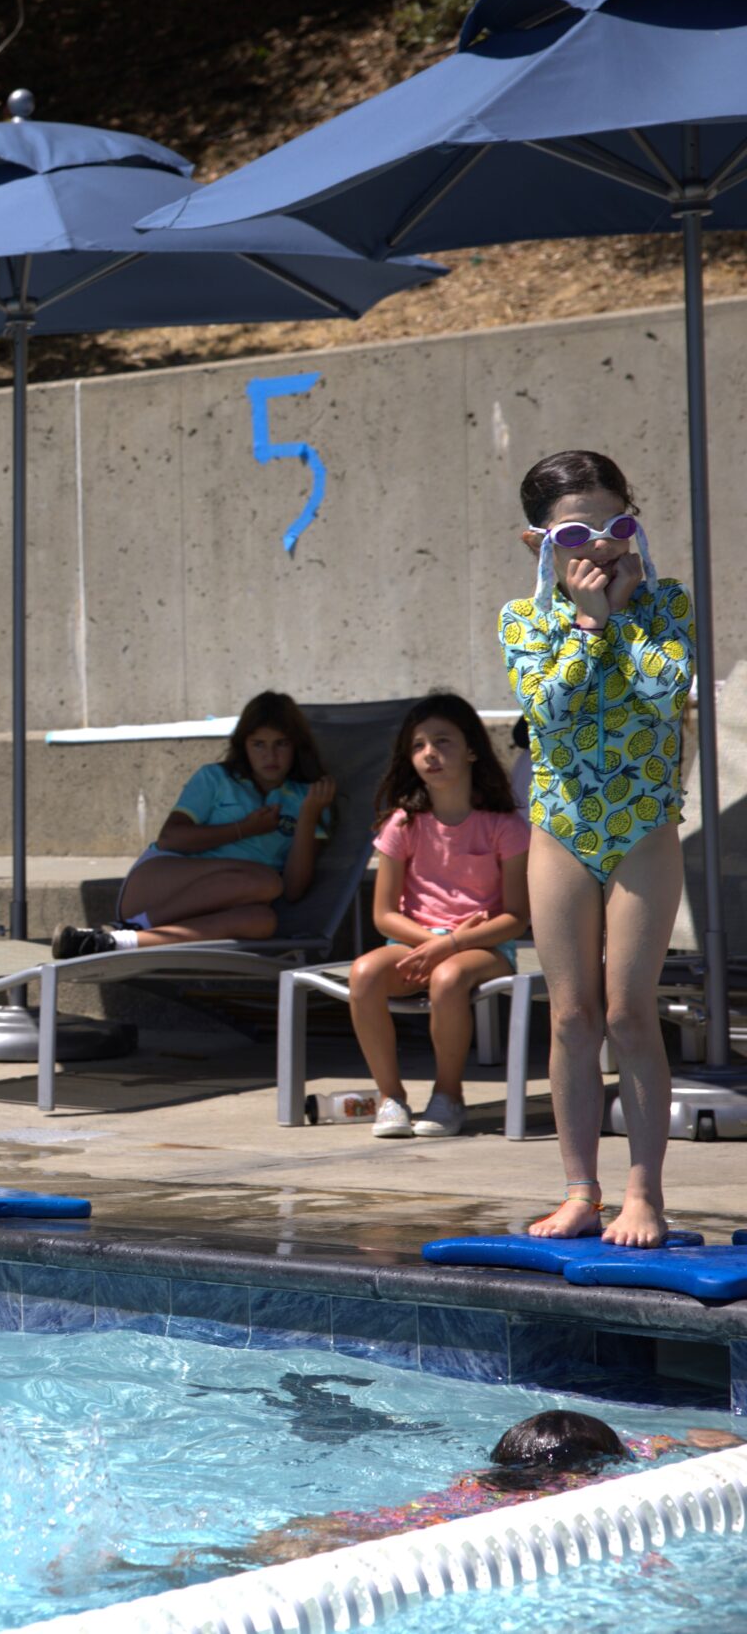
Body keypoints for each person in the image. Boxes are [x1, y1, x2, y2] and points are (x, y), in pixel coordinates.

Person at [500, 449, 694, 1246]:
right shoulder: (525, 620)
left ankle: (643, 1193)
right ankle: (581, 1189)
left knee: (629, 1011)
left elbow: (666, 688)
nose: (602, 544)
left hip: (643, 826)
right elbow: (545, 709)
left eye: (617, 524)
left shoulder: (666, 603)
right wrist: (586, 624)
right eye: (579, 531)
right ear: (539, 543)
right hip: (563, 830)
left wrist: (622, 611)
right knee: (574, 1017)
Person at [346, 692, 531, 1139]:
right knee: (364, 972)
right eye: (419, 745)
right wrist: (431, 942)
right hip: (415, 942)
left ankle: (448, 1096)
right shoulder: (403, 824)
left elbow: (516, 918)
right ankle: (391, 1098)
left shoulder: (505, 827)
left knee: (448, 977)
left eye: (443, 741)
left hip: (481, 947)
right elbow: (384, 914)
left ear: (471, 749)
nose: (430, 754)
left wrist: (450, 944)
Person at [240, 1409, 741, 1564]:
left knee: (332, 1536)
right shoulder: (569, 1490)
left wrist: (671, 1442)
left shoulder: (480, 1481)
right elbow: (650, 1447)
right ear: (594, 1467)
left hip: (422, 1513)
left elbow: (646, 1445)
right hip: (452, 1529)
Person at [54, 691, 336, 958]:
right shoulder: (216, 778)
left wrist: (309, 815)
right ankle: (135, 924)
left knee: (263, 921)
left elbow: (294, 890)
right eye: (259, 744)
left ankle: (116, 941)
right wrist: (245, 829)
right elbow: (169, 839)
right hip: (158, 887)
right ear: (243, 745)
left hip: (231, 901)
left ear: (296, 745)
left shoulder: (309, 798)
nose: (270, 756)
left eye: (281, 744)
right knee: (265, 881)